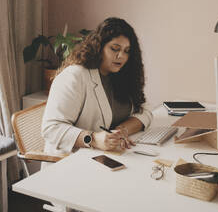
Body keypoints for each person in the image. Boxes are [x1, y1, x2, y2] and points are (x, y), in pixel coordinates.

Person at [42, 17, 153, 156]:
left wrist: (123, 129)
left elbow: (145, 110)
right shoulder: (75, 76)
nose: (121, 56)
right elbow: (51, 129)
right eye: (115, 49)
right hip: (71, 159)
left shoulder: (121, 75)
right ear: (99, 47)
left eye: (127, 51)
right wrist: (93, 139)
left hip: (108, 155)